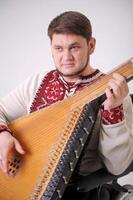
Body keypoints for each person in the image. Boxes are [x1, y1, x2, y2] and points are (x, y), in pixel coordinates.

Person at [0, 11, 133, 199]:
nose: (66, 57)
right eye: (59, 48)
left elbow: (117, 165)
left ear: (91, 45)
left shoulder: (115, 93)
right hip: (26, 182)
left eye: (74, 47)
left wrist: (114, 111)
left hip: (75, 192)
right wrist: (2, 134)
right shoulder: (38, 81)